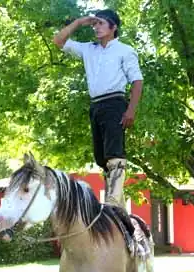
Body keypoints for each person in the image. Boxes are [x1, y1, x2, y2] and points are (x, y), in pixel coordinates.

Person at [52, 9, 143, 208]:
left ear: (114, 27)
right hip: (96, 105)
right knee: (101, 158)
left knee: (114, 154)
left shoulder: (125, 50)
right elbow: (58, 41)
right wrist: (79, 22)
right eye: (95, 24)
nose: (96, 27)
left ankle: (112, 202)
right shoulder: (88, 49)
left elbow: (137, 81)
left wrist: (131, 110)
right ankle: (116, 204)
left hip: (115, 102)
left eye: (101, 23)